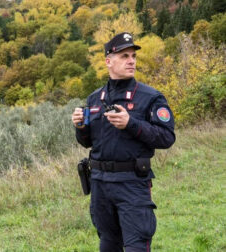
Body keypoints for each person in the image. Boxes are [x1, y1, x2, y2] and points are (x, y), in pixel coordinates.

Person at [71, 32, 176, 252]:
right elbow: (88, 142)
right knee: (108, 244)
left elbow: (167, 137)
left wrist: (131, 124)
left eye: (133, 56)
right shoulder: (95, 98)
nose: (131, 61)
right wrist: (80, 127)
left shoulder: (150, 97)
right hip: (100, 184)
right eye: (124, 56)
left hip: (132, 184)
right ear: (108, 61)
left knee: (136, 246)